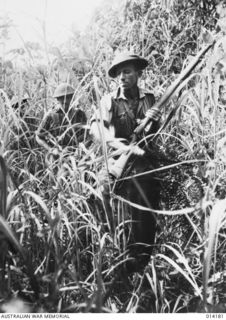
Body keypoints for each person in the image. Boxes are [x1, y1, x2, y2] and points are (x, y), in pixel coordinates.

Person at [90, 53, 162, 273]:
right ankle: (110, 255)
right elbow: (96, 130)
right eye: (119, 73)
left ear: (138, 74)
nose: (122, 76)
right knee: (101, 194)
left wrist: (155, 121)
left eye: (127, 71)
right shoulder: (108, 100)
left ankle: (142, 261)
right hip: (115, 159)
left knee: (146, 211)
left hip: (143, 159)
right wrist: (121, 147)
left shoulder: (150, 98)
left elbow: (152, 136)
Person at [36, 83, 87, 156]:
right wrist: (51, 149)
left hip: (76, 155)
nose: (65, 101)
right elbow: (38, 137)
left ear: (72, 98)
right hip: (56, 155)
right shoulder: (50, 115)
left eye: (68, 97)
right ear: (57, 99)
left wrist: (80, 148)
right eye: (62, 98)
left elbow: (87, 135)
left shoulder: (80, 114)